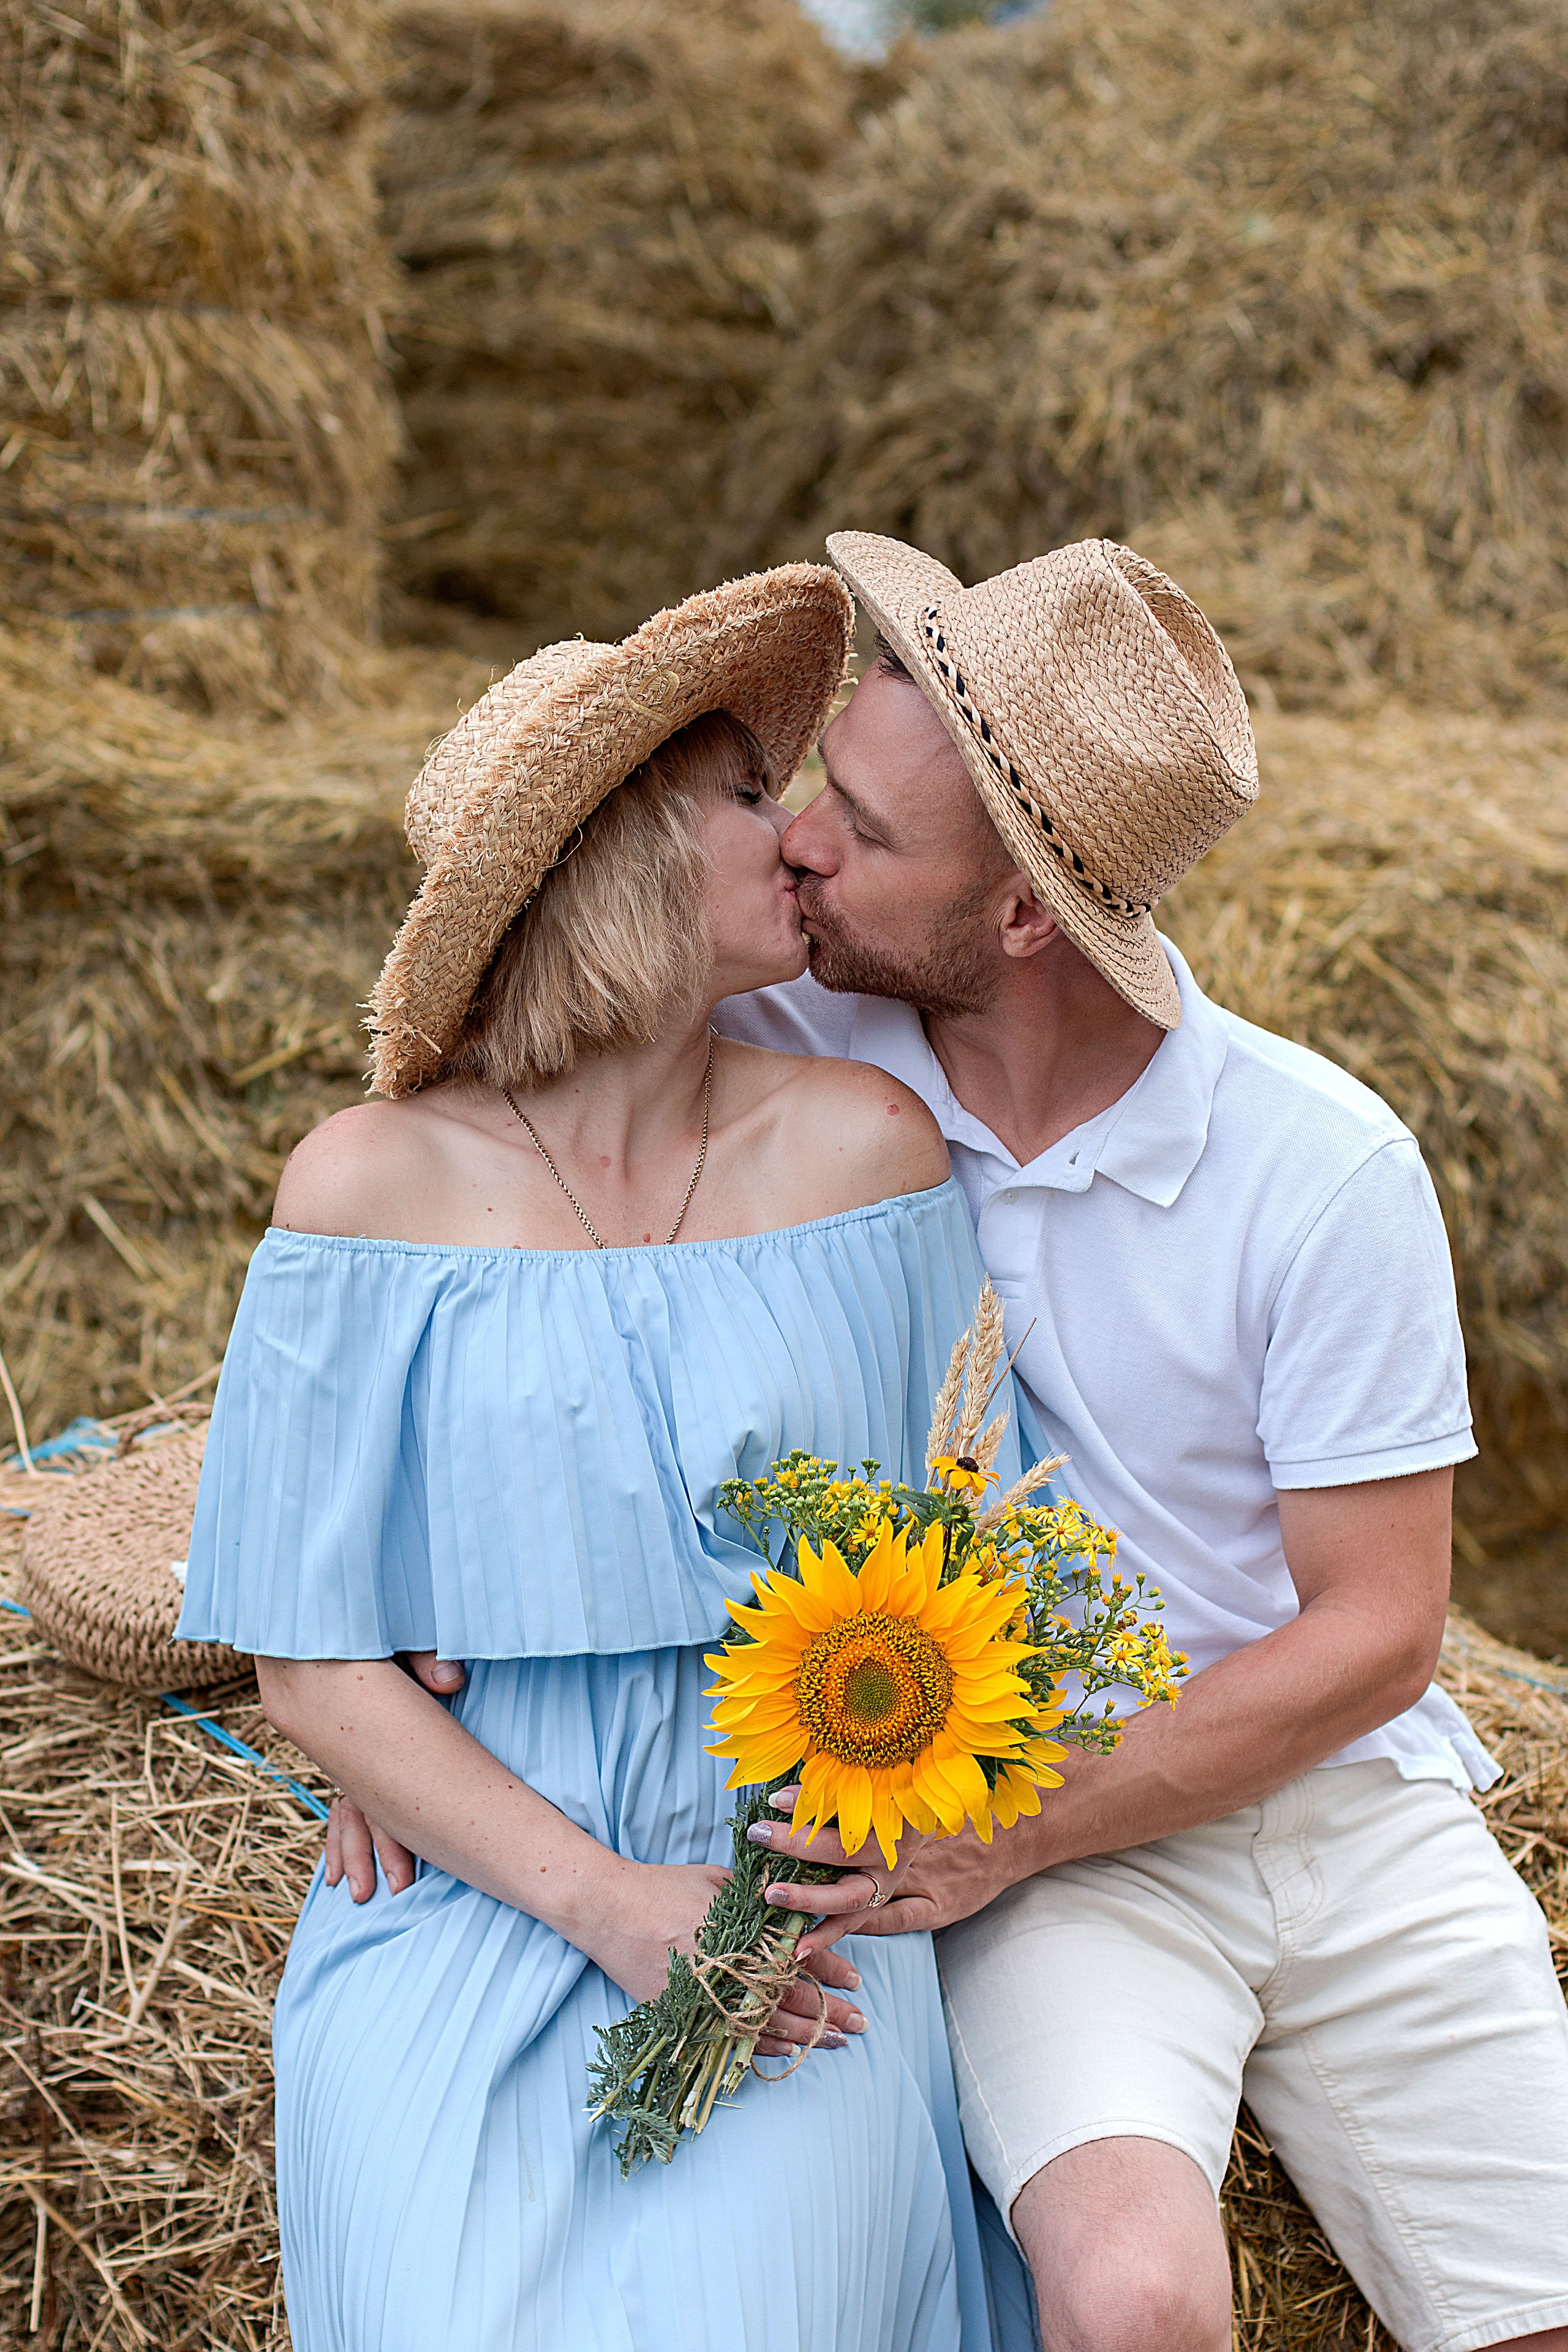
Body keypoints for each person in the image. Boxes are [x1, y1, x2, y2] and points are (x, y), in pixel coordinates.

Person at [345, 533, 1568, 2352]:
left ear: (1020, 921)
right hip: (1055, 1841)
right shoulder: (773, 1044)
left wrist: (1003, 1834)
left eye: (865, 826)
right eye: (815, 781)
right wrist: (386, 1615)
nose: (802, 842)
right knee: (1137, 2302)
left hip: (1331, 1816)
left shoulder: (1322, 1168)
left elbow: (1380, 1635)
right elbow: (438, 1225)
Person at [176, 565, 1036, 2352]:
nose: (800, 837)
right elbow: (311, 1650)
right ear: (621, 850)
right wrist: (602, 1899)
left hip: (790, 1915)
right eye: (747, 797)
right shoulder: (368, 1188)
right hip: (478, 1894)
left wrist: (836, 1830)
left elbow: (978, 1553)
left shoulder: (869, 1157)